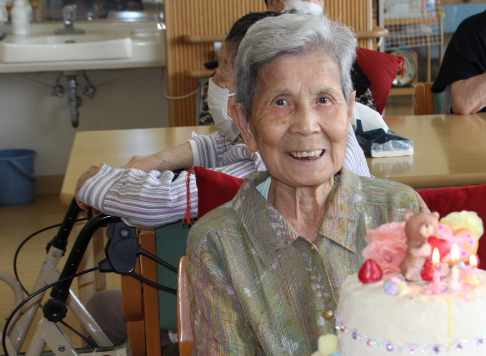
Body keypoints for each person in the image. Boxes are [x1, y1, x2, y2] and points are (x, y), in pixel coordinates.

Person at [184, 13, 426, 356]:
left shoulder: (400, 212)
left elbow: (440, 345)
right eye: (281, 103)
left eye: (324, 100)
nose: (307, 125)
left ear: (349, 111)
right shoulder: (219, 243)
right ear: (245, 124)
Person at [75, 11, 371, 227]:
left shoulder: (257, 176)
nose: (306, 125)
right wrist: (150, 161)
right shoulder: (324, 142)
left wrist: (97, 180)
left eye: (222, 72)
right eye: (282, 103)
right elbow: (226, 144)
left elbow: (156, 200)